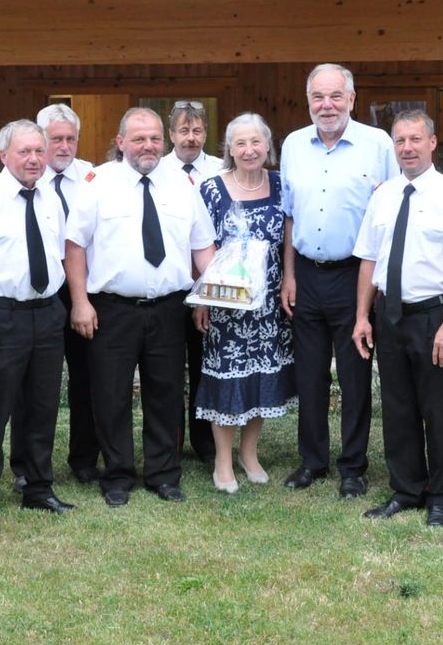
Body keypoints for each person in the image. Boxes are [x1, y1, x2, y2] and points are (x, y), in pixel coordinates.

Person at [64, 107, 216, 508]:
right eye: (138, 139)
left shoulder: (183, 185)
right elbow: (74, 245)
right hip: (112, 309)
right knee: (111, 394)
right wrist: (80, 301)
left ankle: (164, 474)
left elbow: (202, 247)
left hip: (169, 308)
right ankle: (117, 475)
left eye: (153, 139)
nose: (147, 146)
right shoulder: (97, 183)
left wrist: (212, 293)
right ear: (120, 142)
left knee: (166, 393)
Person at [353, 110, 443, 526]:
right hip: (389, 315)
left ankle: (441, 495)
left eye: (415, 139)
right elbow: (369, 260)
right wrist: (362, 317)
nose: (407, 148)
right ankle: (406, 488)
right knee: (397, 406)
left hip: (434, 317)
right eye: (400, 141)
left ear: (432, 143)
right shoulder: (384, 194)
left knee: (439, 409)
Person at [280, 63, 399, 498]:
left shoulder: (378, 144)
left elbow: (388, 213)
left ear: (351, 98)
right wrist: (289, 275)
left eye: (335, 96)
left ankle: (353, 466)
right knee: (309, 376)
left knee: (354, 376)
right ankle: (312, 461)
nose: (326, 105)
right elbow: (290, 214)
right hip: (307, 275)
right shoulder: (293, 144)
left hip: (356, 276)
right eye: (317, 97)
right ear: (308, 100)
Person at [0, 119, 74, 535]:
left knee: (42, 406)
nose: (34, 159)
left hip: (48, 312)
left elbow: (56, 253)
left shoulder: (50, 196)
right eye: (24, 151)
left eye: (39, 151)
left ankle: (38, 487)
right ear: (4, 155)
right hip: (3, 314)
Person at [193, 113, 297, 493]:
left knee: (261, 377)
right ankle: (223, 460)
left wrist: (289, 278)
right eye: (241, 143)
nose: (249, 150)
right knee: (227, 379)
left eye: (256, 142)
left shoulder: (282, 185)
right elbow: (199, 244)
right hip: (226, 304)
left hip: (269, 303)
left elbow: (289, 236)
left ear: (268, 146)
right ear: (229, 149)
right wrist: (202, 297)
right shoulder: (211, 189)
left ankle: (249, 453)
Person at [9, 103, 100, 487]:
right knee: (29, 386)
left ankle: (83, 459)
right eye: (55, 139)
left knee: (87, 378)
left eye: (70, 139)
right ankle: (24, 465)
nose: (63, 147)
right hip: (39, 295)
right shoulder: (25, 178)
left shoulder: (94, 178)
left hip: (83, 292)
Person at [159, 101, 224, 463]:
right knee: (167, 370)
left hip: (208, 283)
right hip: (171, 283)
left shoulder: (219, 170)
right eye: (184, 131)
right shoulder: (160, 169)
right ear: (171, 134)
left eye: (197, 130)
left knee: (204, 365)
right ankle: (172, 439)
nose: (191, 138)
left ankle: (206, 442)